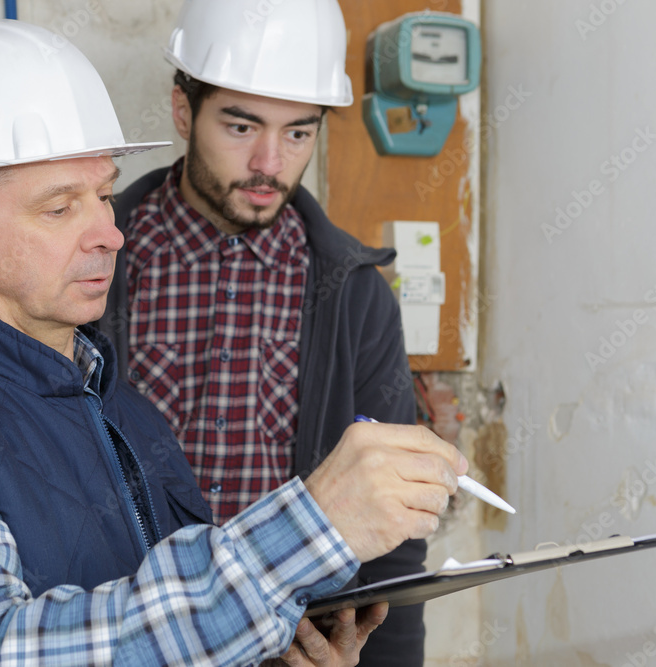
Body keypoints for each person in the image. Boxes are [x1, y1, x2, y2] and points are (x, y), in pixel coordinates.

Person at [0, 19, 466, 667]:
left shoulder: (118, 408)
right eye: (60, 206)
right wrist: (309, 526)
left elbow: (150, 629)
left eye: (103, 193)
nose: (110, 231)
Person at [97, 2, 428, 664]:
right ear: (184, 111)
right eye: (242, 125)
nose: (269, 162)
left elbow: (396, 531)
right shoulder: (91, 268)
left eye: (299, 133)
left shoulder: (355, 296)